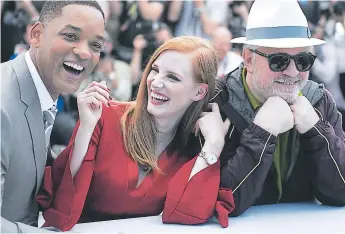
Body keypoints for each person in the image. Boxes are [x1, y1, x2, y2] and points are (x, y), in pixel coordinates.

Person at [36, 36, 235, 231]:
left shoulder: (194, 147)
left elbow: (186, 216)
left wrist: (214, 144)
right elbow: (61, 205)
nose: (155, 82)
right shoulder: (103, 115)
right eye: (154, 70)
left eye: (172, 77)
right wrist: (86, 128)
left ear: (199, 92)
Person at [213, 0, 345, 216]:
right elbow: (222, 202)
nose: (293, 72)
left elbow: (341, 192)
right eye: (279, 61)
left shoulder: (319, 101)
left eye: (303, 60)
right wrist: (261, 133)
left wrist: (316, 131)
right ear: (248, 59)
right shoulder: (217, 101)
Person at [1, 1, 106, 232]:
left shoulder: (41, 93)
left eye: (96, 45)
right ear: (36, 34)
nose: (84, 52)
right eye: (70, 36)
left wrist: (86, 128)